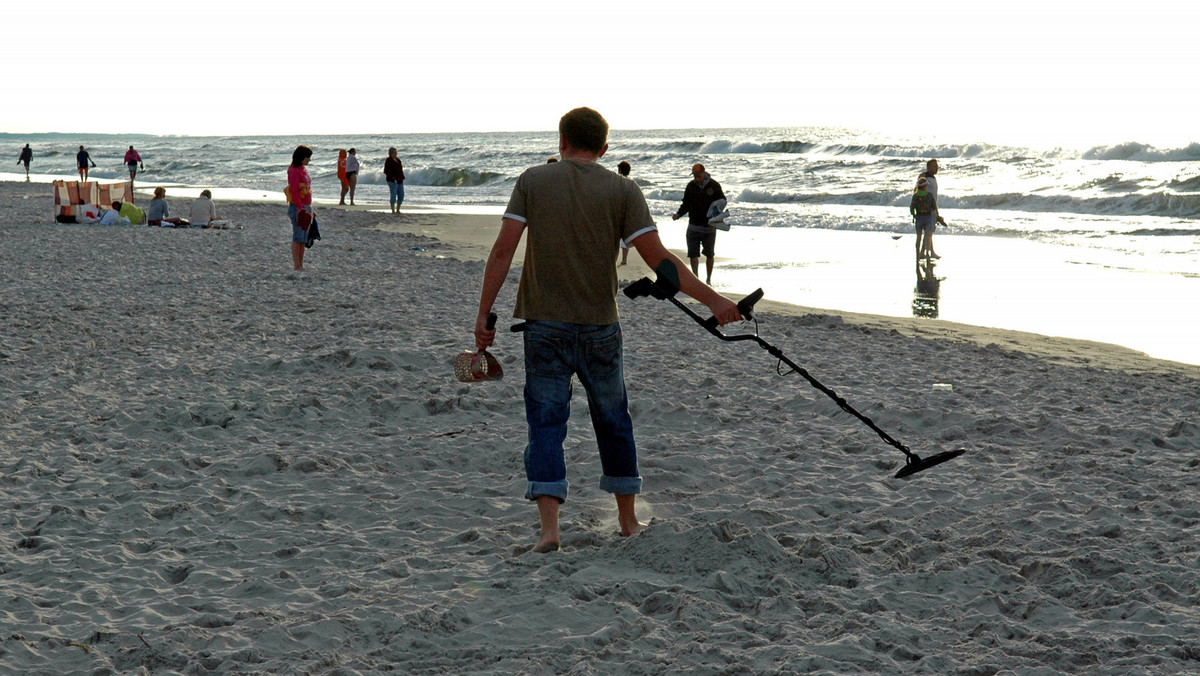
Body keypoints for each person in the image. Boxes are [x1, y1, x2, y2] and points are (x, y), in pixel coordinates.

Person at [474, 107, 741, 554]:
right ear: (604, 149)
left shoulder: (533, 181)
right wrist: (715, 300)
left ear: (561, 141)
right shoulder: (623, 189)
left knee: (545, 424)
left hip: (544, 326)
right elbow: (660, 260)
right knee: (614, 422)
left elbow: (503, 251)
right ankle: (628, 521)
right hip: (600, 327)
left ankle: (549, 532)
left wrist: (484, 315)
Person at [672, 163, 726, 285]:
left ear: (704, 173)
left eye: (698, 175)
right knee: (692, 253)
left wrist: (717, 211)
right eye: (695, 176)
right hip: (694, 225)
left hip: (709, 226)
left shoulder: (714, 185)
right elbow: (686, 204)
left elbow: (723, 201)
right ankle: (695, 279)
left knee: (710, 254)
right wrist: (678, 214)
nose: (697, 178)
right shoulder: (691, 186)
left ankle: (708, 280)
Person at [287, 145, 315, 271]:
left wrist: (310, 209)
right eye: (307, 157)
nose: (309, 160)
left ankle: (301, 263)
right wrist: (300, 208)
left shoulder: (303, 170)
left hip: (307, 205)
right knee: (297, 237)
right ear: (301, 157)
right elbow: (294, 191)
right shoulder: (293, 171)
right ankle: (296, 264)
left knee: (303, 238)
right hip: (298, 207)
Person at [919, 159, 946, 259]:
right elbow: (918, 191)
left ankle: (925, 252)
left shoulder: (933, 178)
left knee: (929, 232)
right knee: (928, 231)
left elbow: (934, 196)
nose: (937, 168)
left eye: (937, 166)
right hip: (926, 208)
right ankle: (928, 252)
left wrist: (937, 211)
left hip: (933, 208)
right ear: (928, 167)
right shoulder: (924, 176)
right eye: (934, 166)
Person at [910, 176, 938, 260]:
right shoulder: (929, 195)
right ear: (925, 186)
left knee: (918, 237)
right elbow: (934, 207)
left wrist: (914, 215)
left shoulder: (915, 196)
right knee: (927, 237)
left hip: (919, 217)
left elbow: (912, 208)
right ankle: (927, 254)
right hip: (928, 217)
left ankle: (917, 254)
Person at [617, 160, 632, 265]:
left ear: (620, 170)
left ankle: (621, 259)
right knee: (625, 238)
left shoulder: (618, 182)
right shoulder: (631, 183)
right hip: (627, 213)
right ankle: (624, 259)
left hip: (619, 212)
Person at [384, 147, 406, 214]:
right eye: (394, 152)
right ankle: (393, 210)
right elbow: (386, 171)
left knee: (401, 194)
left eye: (396, 152)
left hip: (399, 180)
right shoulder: (388, 160)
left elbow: (400, 170)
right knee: (393, 195)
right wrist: (392, 177)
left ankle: (398, 209)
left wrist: (402, 177)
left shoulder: (398, 160)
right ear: (390, 153)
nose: (395, 154)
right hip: (392, 181)